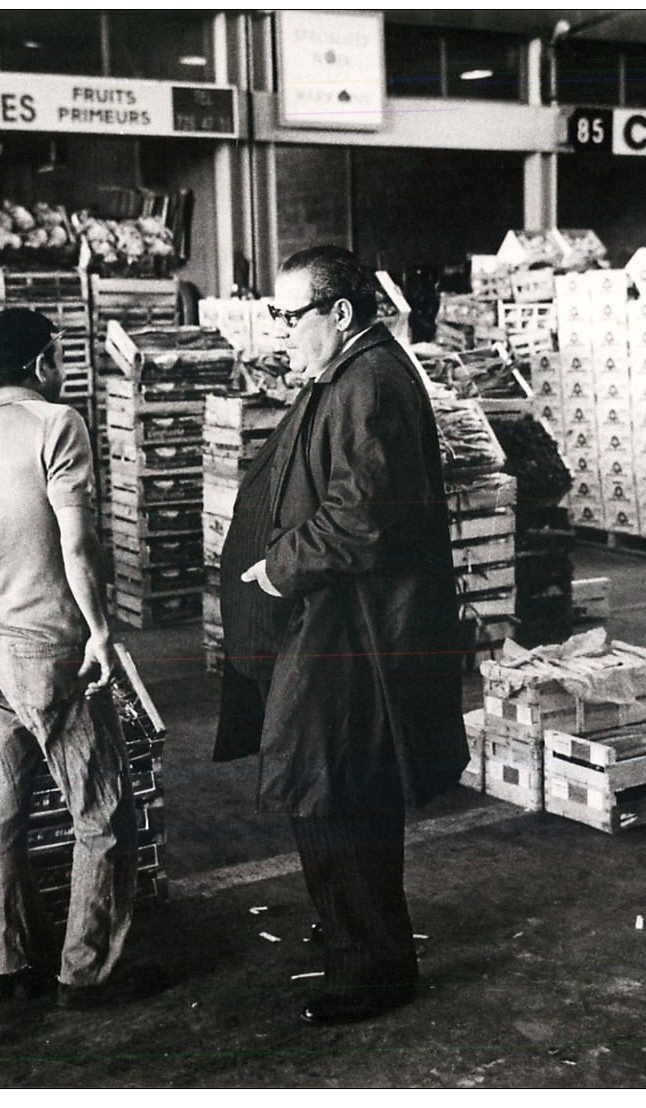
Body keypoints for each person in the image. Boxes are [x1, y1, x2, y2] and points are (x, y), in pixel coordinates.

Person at [214, 246, 469, 1025]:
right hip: (332, 623)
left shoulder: (371, 384)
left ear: (340, 315)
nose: (281, 331)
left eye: (292, 316)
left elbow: (361, 517)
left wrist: (276, 567)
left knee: (335, 788)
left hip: (354, 632)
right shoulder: (347, 372)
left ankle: (371, 969)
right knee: (324, 787)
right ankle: (350, 936)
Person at [0, 307, 137, 1008]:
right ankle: (84, 971)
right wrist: (101, 632)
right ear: (42, 363)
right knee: (101, 813)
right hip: (46, 646)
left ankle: (12, 960)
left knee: (3, 813)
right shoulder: (56, 424)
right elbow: (78, 546)